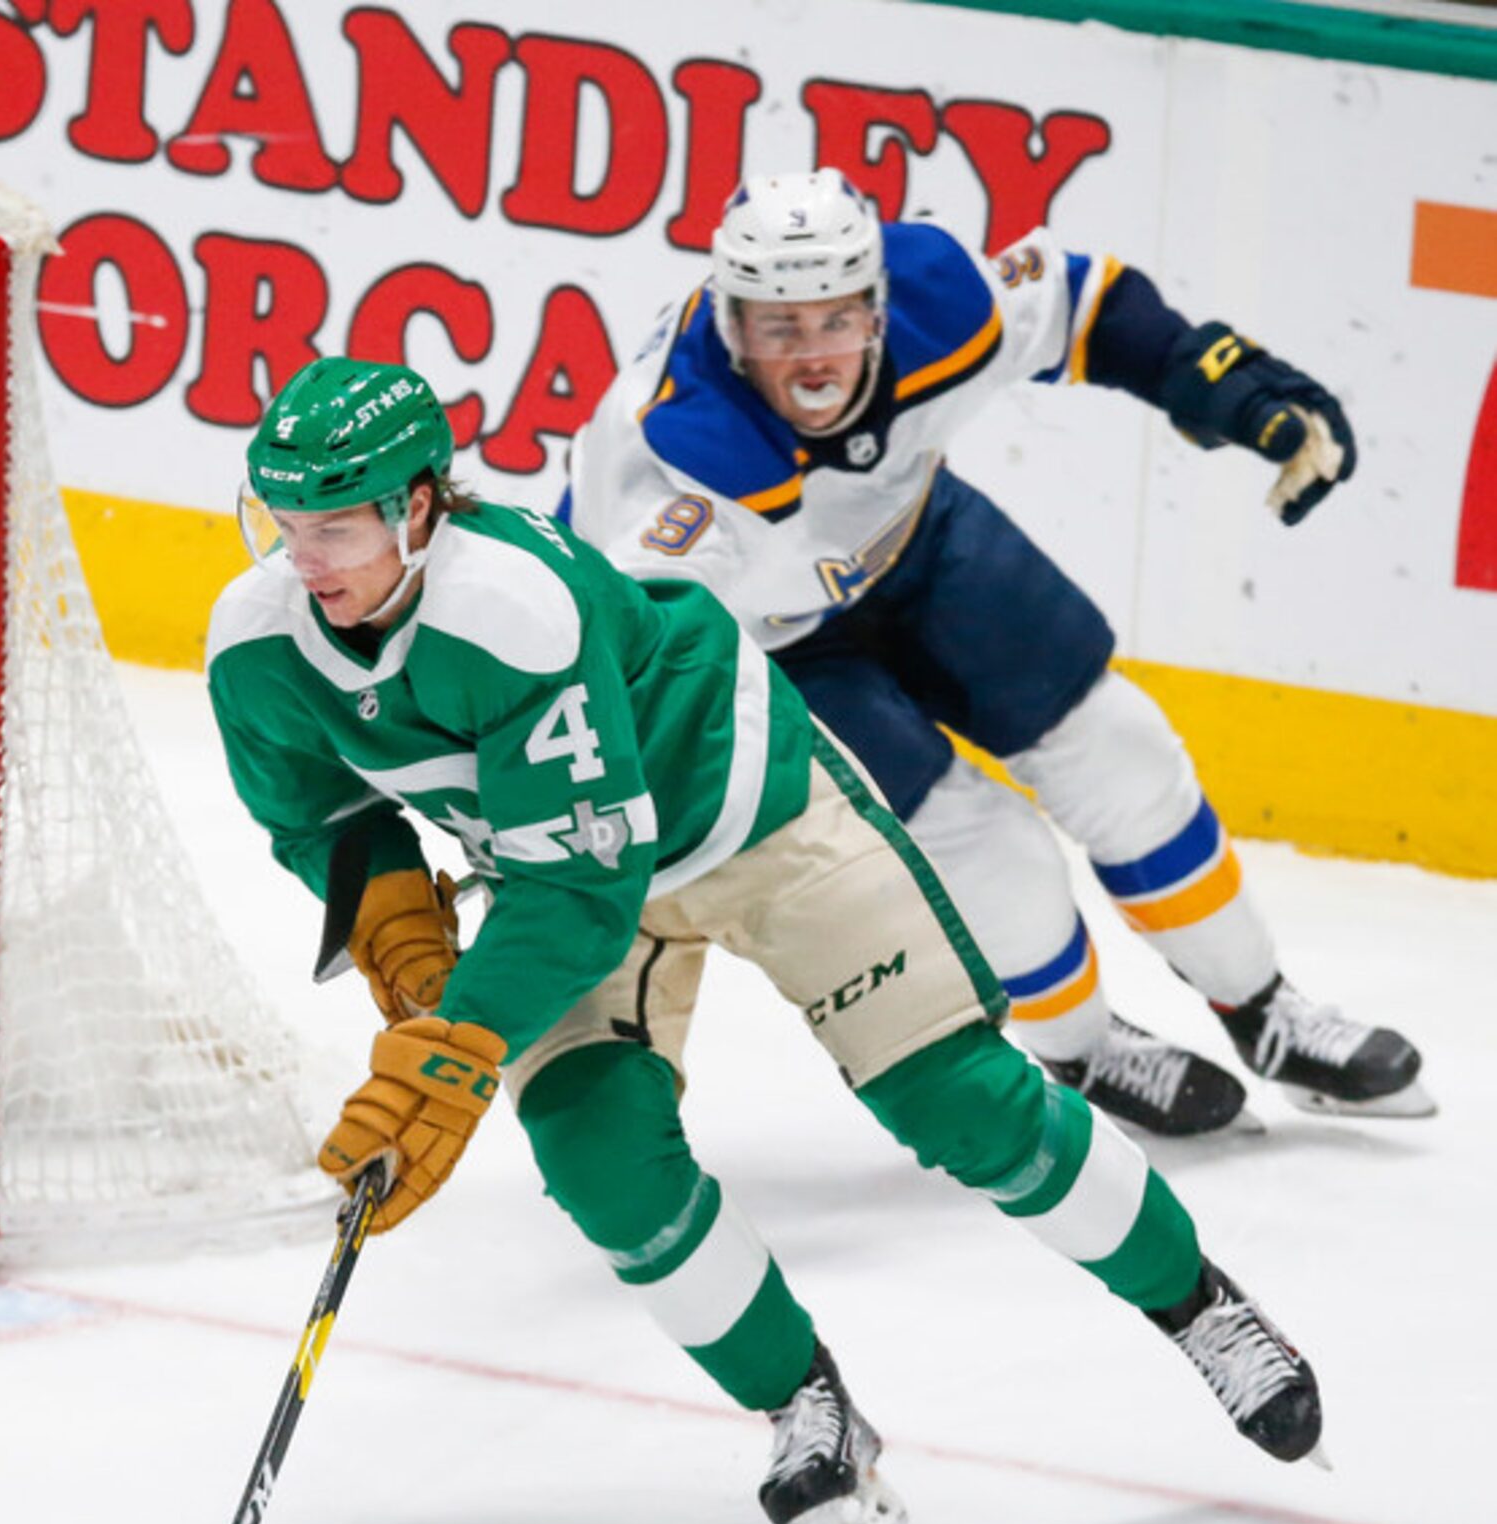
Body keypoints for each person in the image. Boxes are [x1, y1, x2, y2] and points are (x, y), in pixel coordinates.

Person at [210, 357, 1324, 1524]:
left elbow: (581, 897)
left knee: (958, 1103)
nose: (305, 556)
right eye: (285, 521)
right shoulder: (259, 641)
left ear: (421, 506)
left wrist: (464, 1041)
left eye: (338, 524)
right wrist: (411, 955)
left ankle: (1200, 1306)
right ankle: (806, 1405)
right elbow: (324, 814)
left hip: (749, 813)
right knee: (601, 1163)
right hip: (568, 871)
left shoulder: (512, 609)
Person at [563, 169, 1427, 1137]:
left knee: (1123, 752)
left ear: (880, 306)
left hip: (915, 543)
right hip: (775, 654)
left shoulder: (938, 292)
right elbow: (612, 639)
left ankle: (1267, 1011)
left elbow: (1083, 302)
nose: (814, 359)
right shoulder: (675, 454)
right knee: (989, 854)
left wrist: (1228, 382)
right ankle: (1085, 1050)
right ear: (730, 325)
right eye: (779, 328)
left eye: (838, 320)